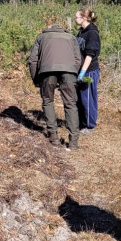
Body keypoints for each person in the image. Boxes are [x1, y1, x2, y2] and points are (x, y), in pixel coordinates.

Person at [28, 19, 81, 148]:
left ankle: (53, 136)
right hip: (69, 71)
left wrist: (36, 79)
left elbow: (32, 60)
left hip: (47, 71)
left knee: (48, 101)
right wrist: (74, 73)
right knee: (70, 104)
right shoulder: (71, 38)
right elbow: (78, 59)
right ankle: (73, 141)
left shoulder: (42, 37)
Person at [75, 8, 102, 133]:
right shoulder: (81, 32)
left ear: (84, 18)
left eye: (77, 17)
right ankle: (82, 123)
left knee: (88, 97)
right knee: (80, 98)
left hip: (89, 71)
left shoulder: (92, 33)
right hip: (81, 69)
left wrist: (83, 72)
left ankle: (90, 126)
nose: (75, 19)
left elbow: (90, 55)